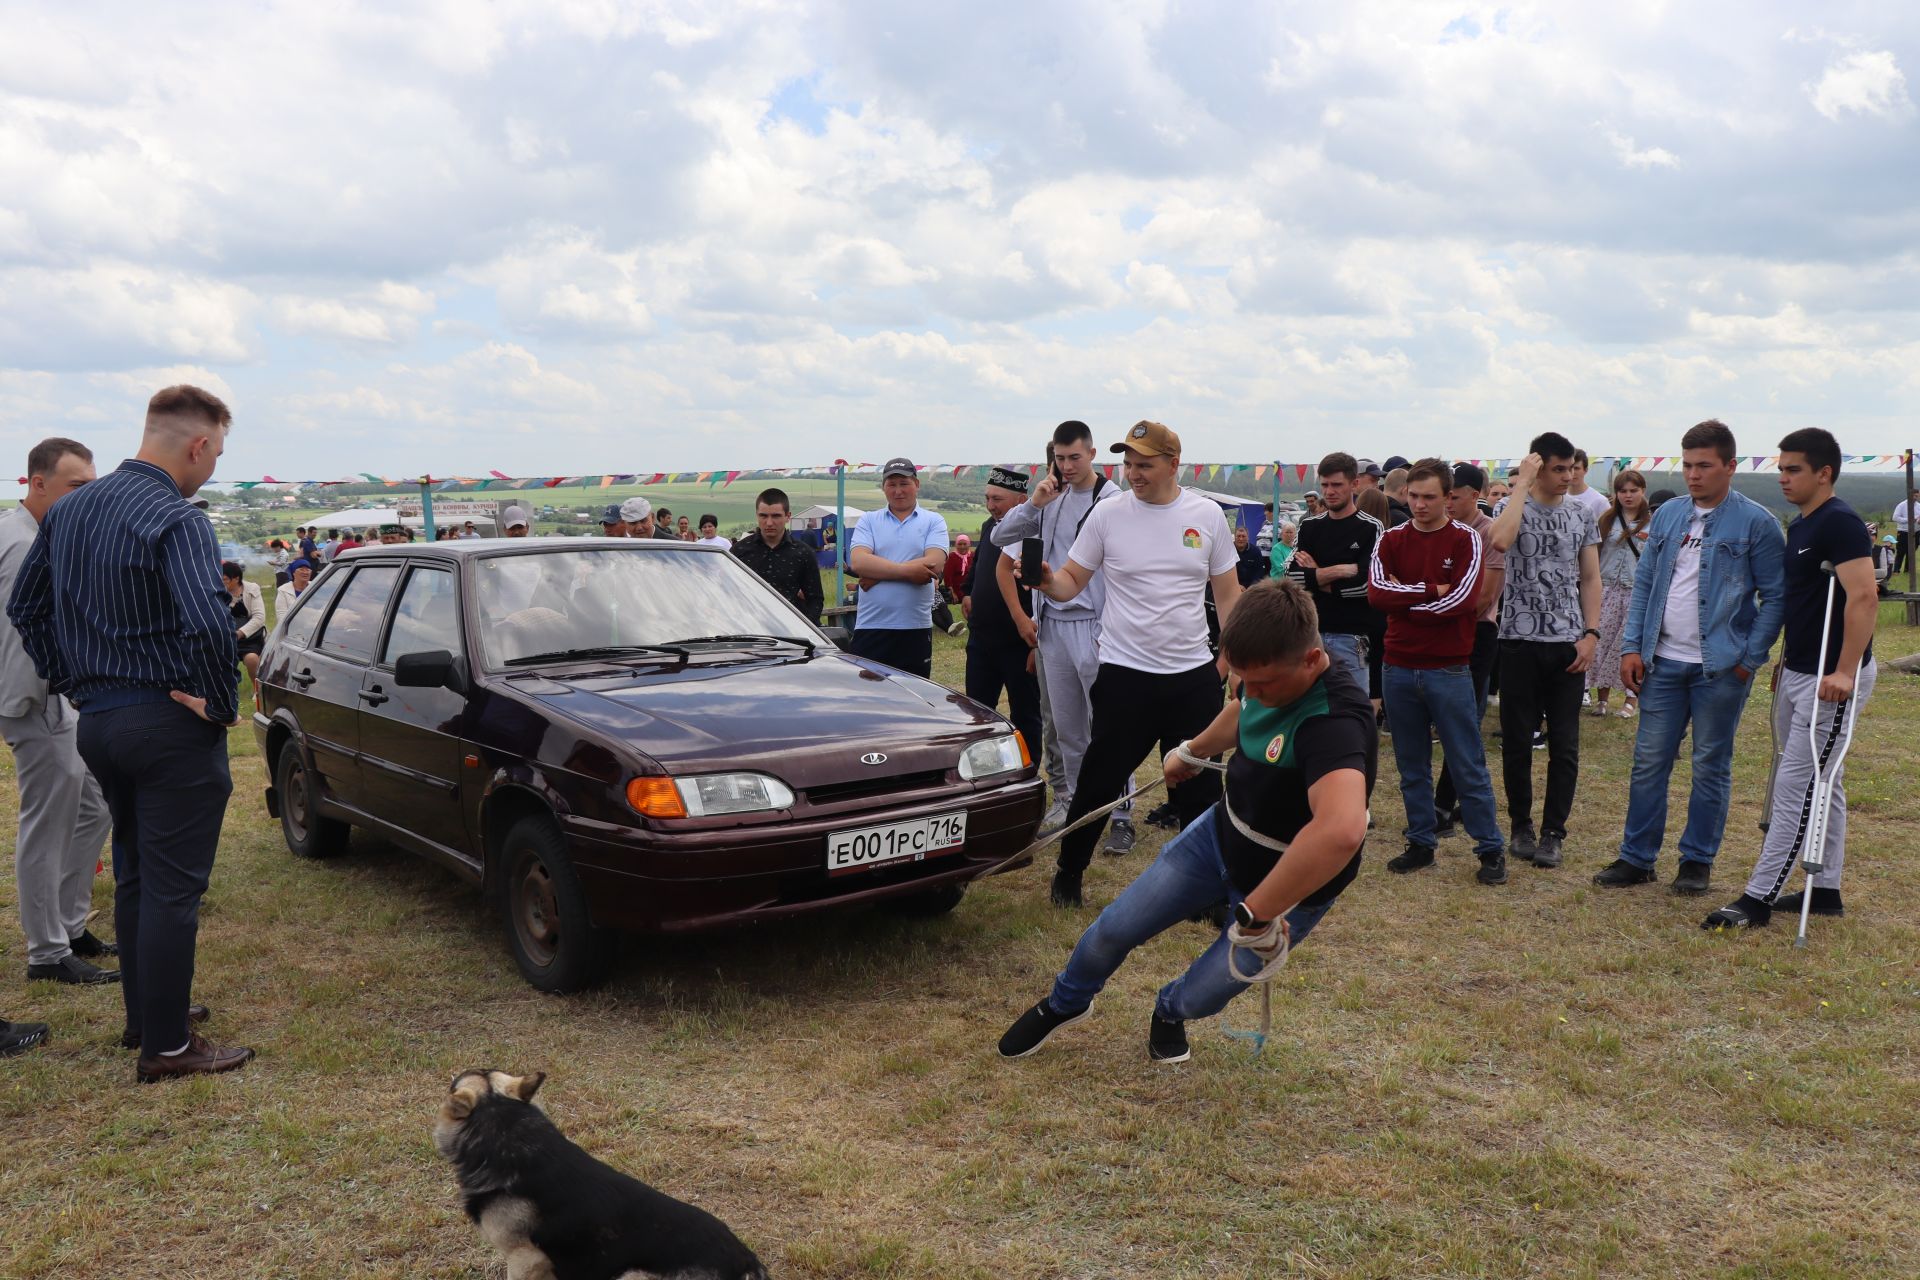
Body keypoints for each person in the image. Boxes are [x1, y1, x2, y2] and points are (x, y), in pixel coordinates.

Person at [996, 579, 1372, 1063]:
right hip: (1221, 837)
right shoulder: (1269, 676)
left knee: (1205, 995)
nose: (1249, 692)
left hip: (1287, 887)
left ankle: (1171, 1011)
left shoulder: (1334, 723)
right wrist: (1191, 751)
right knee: (1114, 928)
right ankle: (1064, 1004)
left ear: (1313, 660)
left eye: (1263, 684)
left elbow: (1341, 830)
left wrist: (1258, 913)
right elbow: (1243, 709)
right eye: (1241, 678)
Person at [6, 384, 250, 1081]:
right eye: (217, 453)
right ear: (198, 445)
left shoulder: (70, 510)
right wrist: (219, 704)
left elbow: (27, 606)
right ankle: (167, 1048)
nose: (213, 467)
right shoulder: (177, 518)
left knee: (139, 873)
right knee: (174, 886)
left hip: (99, 720)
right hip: (167, 720)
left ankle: (150, 1015)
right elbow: (209, 623)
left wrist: (69, 678)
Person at [1023, 420, 1242, 908]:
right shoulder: (1107, 515)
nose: (1134, 474)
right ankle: (1069, 872)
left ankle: (1205, 894)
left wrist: (1231, 665)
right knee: (1100, 780)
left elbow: (1228, 597)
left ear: (1172, 464)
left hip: (1192, 677)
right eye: (1128, 464)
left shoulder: (1206, 516)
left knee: (1200, 791)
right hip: (1124, 675)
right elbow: (1069, 583)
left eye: (1144, 464)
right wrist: (1043, 581)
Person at [1595, 421, 1784, 896]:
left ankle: (1697, 861)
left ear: (1730, 467)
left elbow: (1776, 598)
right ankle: (1637, 858)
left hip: (1719, 666)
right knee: (1649, 761)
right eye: (1687, 465)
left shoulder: (1756, 523)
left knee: (1710, 764)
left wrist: (1749, 657)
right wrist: (1632, 646)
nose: (1693, 475)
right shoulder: (1671, 515)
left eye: (1704, 465)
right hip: (1661, 661)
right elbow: (1646, 584)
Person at [1704, 428, 1875, 930]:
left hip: (1832, 677)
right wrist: (1786, 660)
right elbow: (1803, 602)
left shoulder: (1840, 524)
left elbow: (1863, 597)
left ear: (1824, 473)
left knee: (1796, 784)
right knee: (1827, 782)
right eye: (1780, 468)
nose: (1783, 477)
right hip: (1799, 668)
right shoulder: (1802, 524)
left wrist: (1844, 670)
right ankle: (1826, 890)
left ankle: (1758, 898)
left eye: (1793, 469)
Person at [1, 437, 118, 987]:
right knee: (46, 827)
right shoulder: (22, 543)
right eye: (76, 487)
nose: (84, 498)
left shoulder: (35, 534)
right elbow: (20, 635)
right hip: (36, 700)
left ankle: (69, 927)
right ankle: (47, 952)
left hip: (56, 700)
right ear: (37, 483)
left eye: (89, 488)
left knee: (95, 807)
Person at [990, 422, 1129, 844]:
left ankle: (1119, 812)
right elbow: (1000, 536)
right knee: (1065, 725)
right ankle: (1070, 801)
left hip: (1097, 625)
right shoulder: (1048, 499)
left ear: (1091, 455)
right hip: (1052, 624)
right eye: (1060, 458)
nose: (1067, 466)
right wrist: (1033, 503)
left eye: (1075, 458)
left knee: (1106, 724)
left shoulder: (1113, 501)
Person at [1368, 460, 1505, 884]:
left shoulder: (1467, 539)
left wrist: (1406, 603)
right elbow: (1376, 592)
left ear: (1449, 497)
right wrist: (1430, 591)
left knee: (1467, 763)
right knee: (1411, 764)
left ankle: (1490, 849)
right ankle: (1421, 843)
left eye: (1430, 497)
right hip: (1398, 666)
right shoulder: (1390, 538)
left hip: (1447, 668)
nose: (1420, 504)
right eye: (1414, 496)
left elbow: (1464, 601)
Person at [1485, 433, 1601, 869]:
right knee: (1517, 739)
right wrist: (1521, 485)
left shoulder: (1581, 513)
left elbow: (1590, 577)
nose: (1567, 476)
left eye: (1571, 468)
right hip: (1518, 639)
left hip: (1568, 642)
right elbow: (1499, 541)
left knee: (1565, 744)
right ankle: (1521, 824)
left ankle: (1554, 832)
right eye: (1558, 468)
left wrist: (1591, 633)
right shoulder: (1511, 506)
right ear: (1538, 466)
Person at [1433, 463, 1505, 837]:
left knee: (1464, 722)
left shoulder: (1489, 533)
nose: (1447, 503)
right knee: (1450, 722)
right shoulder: (1444, 529)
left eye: (1454, 497)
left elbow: (1485, 597)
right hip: (1444, 631)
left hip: (1475, 634)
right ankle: (1453, 801)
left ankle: (1444, 806)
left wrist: (1432, 606)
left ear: (1475, 495)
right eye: (1444, 496)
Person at [962, 468, 1042, 763]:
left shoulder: (1032, 530)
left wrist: (1036, 645)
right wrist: (969, 591)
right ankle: (982, 772)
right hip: (981, 639)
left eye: (997, 499)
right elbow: (978, 565)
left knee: (1026, 714)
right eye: (987, 498)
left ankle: (1029, 770)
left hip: (1018, 643)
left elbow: (1040, 588)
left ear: (1022, 500)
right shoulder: (988, 526)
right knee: (978, 712)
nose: (991, 505)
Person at [1287, 453, 1385, 692]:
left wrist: (1314, 575)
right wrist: (1336, 571)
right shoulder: (1310, 526)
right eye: (1325, 485)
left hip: (1351, 637)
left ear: (1354, 485)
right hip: (1310, 634)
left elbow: (1366, 584)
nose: (1329, 491)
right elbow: (1290, 576)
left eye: (1337, 485)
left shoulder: (1370, 527)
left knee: (1350, 710)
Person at [847, 458, 948, 678]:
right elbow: (859, 562)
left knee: (913, 701)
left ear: (917, 485)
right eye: (891, 484)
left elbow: (934, 564)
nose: (898, 491)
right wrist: (908, 571)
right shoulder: (868, 520)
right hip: (870, 626)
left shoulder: (934, 520)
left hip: (915, 628)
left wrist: (877, 576)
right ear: (883, 487)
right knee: (869, 700)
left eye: (904, 483)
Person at [1585, 470, 1651, 719]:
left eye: (1633, 490)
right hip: (1607, 589)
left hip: (1636, 590)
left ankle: (1630, 699)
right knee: (1602, 642)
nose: (1628, 495)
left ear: (1643, 490)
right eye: (1623, 491)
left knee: (1629, 645)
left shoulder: (1652, 522)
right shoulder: (1606, 520)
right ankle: (1601, 699)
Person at [731, 488, 824, 624]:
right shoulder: (739, 551)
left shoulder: (803, 553)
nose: (769, 522)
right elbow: (727, 593)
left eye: (776, 516)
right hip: (748, 629)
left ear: (787, 516)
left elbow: (815, 599)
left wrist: (804, 628)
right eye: (763, 516)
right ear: (757, 515)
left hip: (791, 631)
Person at [222, 561, 267, 698]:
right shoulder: (217, 592)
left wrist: (240, 633)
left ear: (236, 578)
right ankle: (226, 691)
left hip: (250, 638)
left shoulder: (252, 588)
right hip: (226, 636)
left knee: (252, 659)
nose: (221, 582)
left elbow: (259, 617)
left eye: (224, 579)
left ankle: (257, 690)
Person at [1567, 449, 1612, 523]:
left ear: (1586, 470)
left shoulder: (1600, 502)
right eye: (1569, 468)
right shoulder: (1556, 498)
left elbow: (1607, 531)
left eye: (1576, 468)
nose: (1572, 472)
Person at [1894, 486, 1919, 577]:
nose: (1916, 498)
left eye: (1917, 496)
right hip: (1903, 532)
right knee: (1901, 551)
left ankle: (1907, 570)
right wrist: (1909, 519)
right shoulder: (1901, 505)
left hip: (1916, 532)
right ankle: (1896, 570)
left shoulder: (1919, 506)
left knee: (1911, 552)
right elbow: (1895, 518)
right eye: (1914, 496)